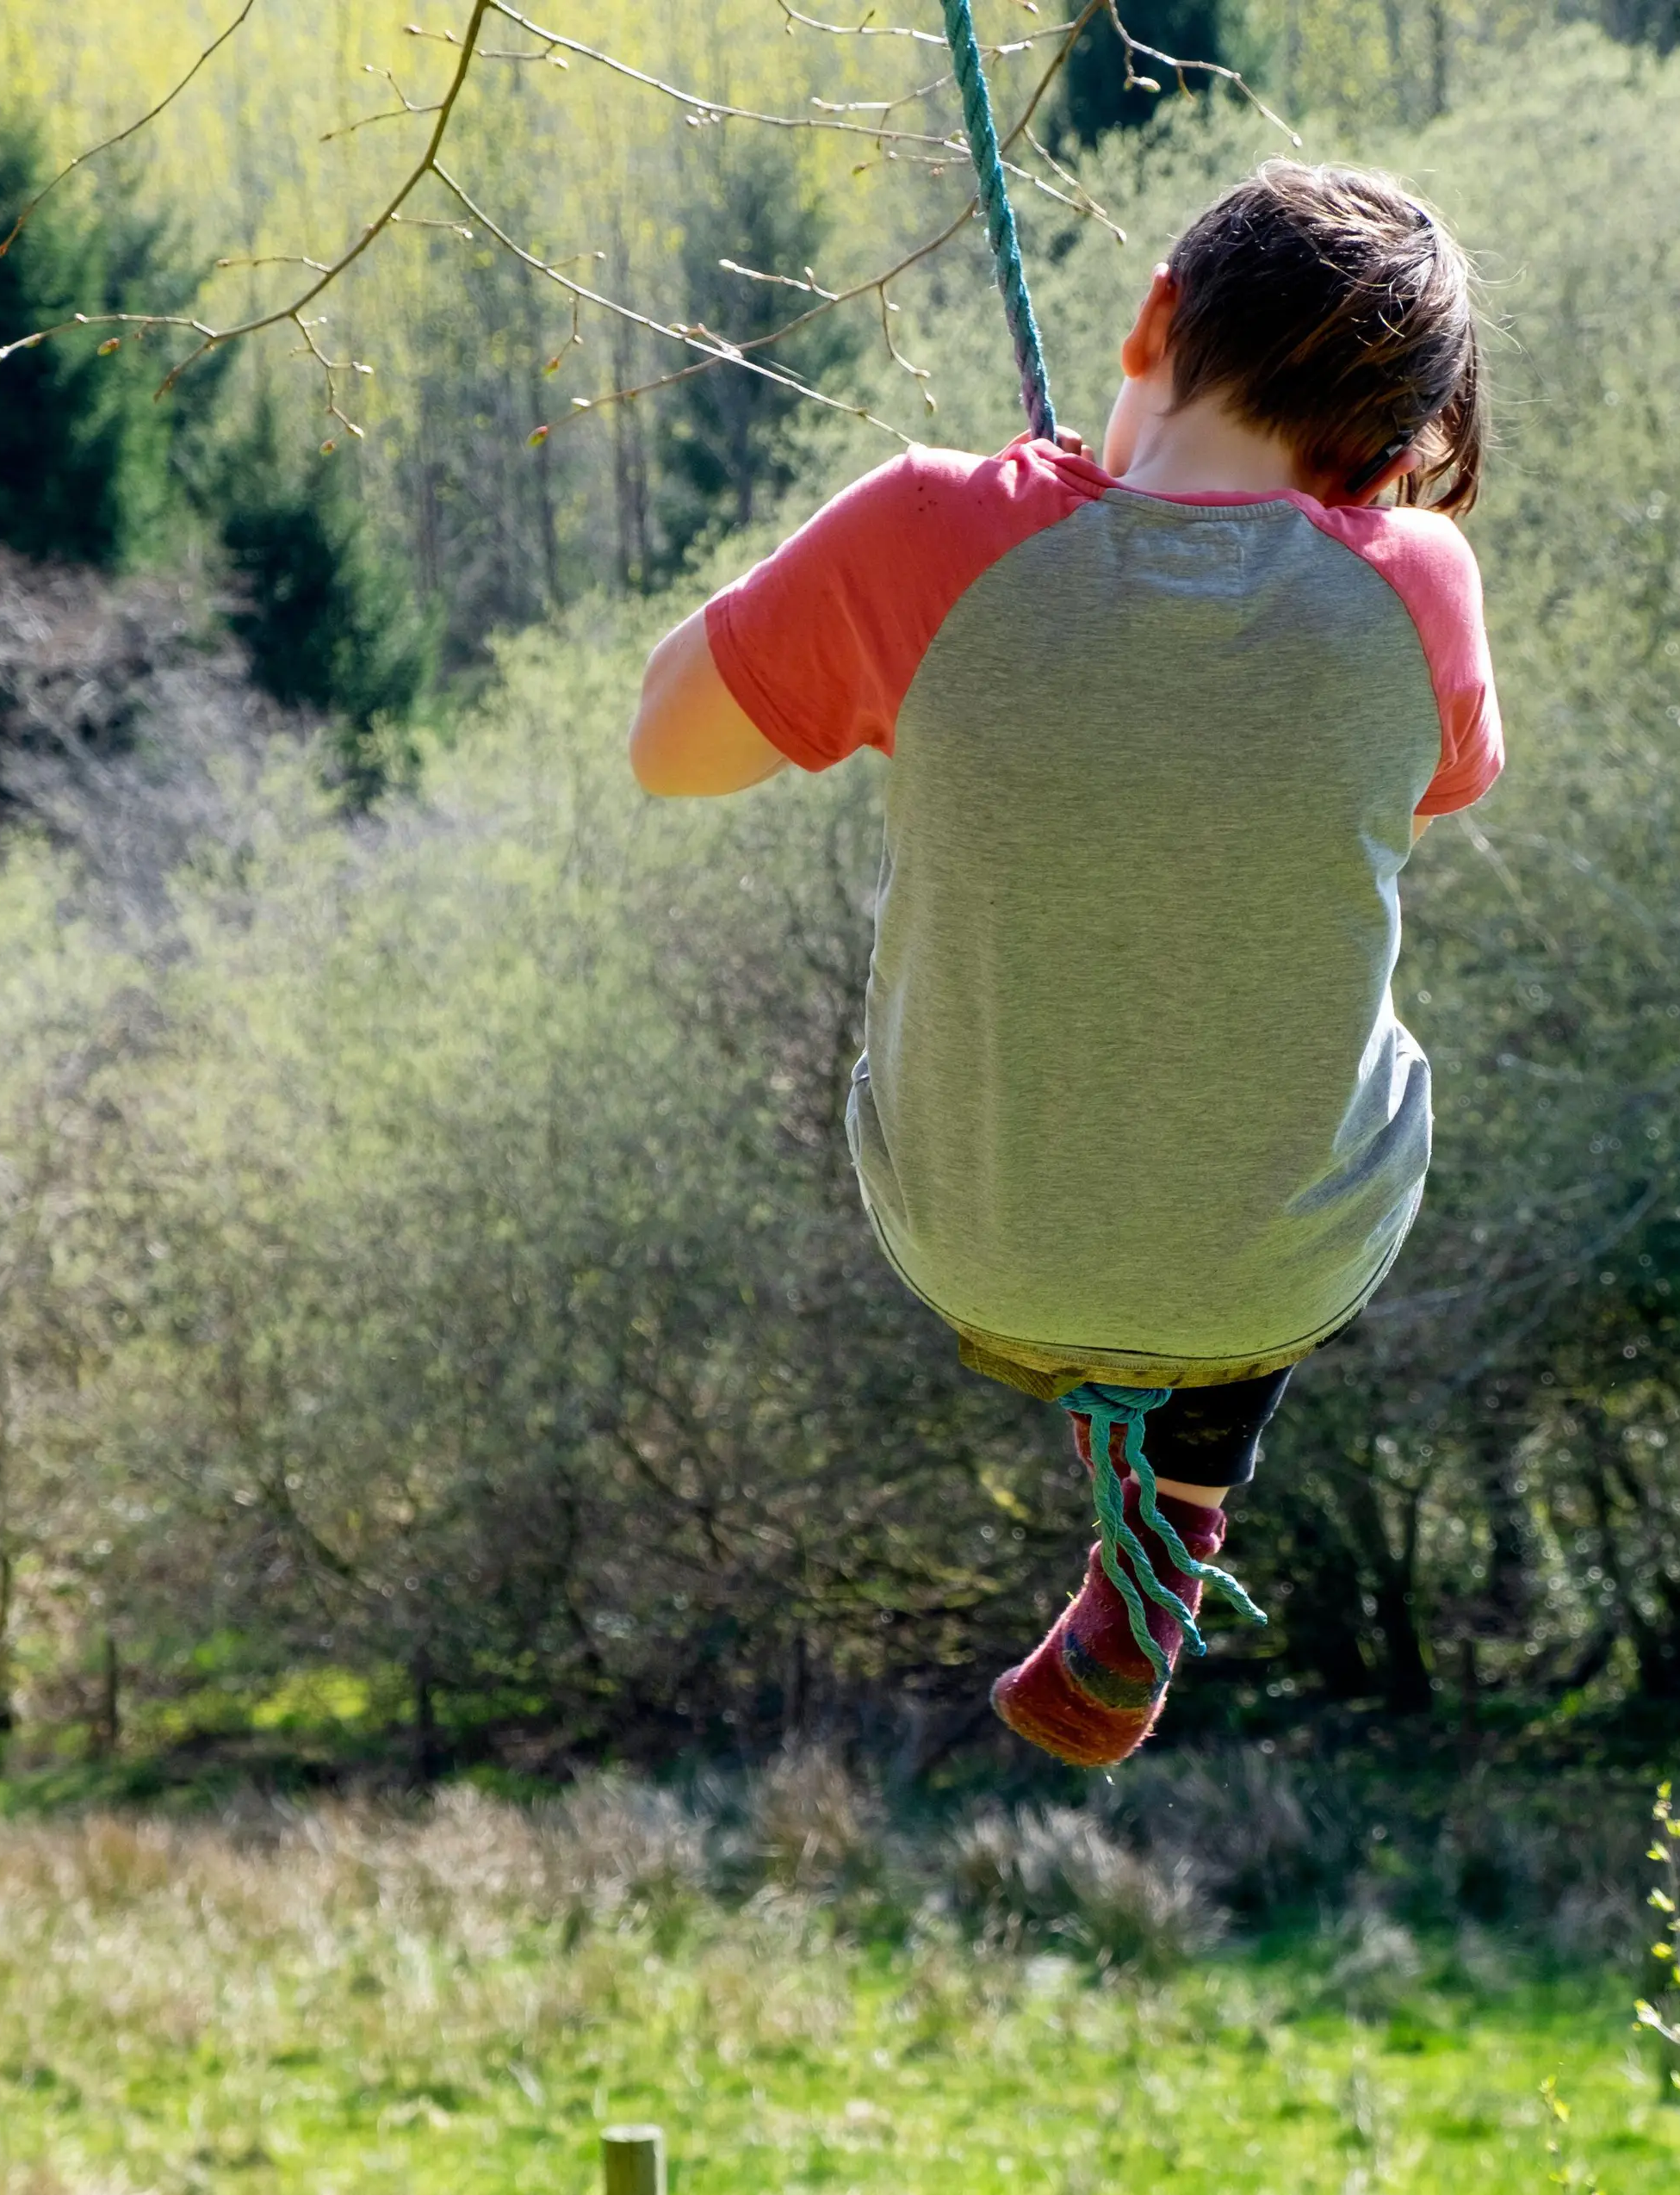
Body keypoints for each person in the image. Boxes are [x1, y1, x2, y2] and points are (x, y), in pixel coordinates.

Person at [624, 159, 1499, 1767]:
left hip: (971, 1236)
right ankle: (1178, 1515)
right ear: (1391, 460)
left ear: (1153, 318)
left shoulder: (932, 532)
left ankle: (1159, 1519)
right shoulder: (1421, 587)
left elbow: (665, 750)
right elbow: (1439, 784)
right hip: (1275, 1279)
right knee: (1331, 1037)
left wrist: (915, 564)